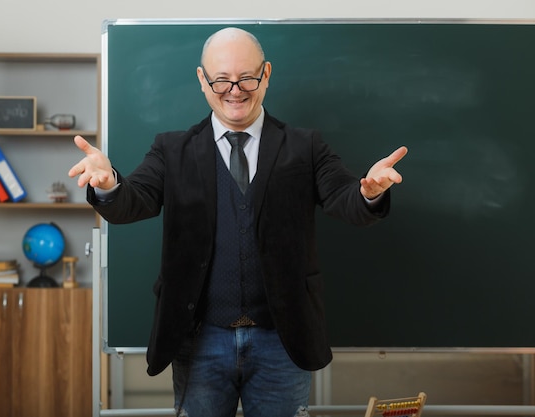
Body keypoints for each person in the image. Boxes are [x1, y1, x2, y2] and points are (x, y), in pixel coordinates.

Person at [69, 27, 407, 417]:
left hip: (283, 340)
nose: (235, 89)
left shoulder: (305, 146)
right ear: (202, 80)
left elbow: (344, 197)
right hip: (199, 341)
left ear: (266, 74)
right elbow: (134, 202)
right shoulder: (171, 149)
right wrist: (110, 183)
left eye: (247, 77)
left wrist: (371, 191)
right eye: (221, 79)